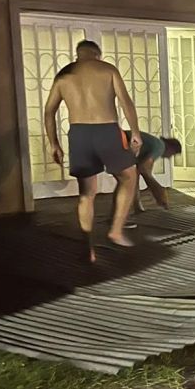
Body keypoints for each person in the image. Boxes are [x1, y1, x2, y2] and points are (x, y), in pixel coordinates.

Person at [44, 40, 142, 263]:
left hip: (79, 134)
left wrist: (54, 143)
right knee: (128, 176)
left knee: (86, 193)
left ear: (77, 55)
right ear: (97, 54)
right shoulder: (107, 69)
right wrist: (134, 132)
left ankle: (88, 249)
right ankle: (116, 230)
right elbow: (126, 102)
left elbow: (49, 111)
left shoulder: (64, 75)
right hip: (106, 130)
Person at [112, 131, 182, 223]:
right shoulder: (160, 147)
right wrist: (159, 193)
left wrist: (138, 206)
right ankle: (116, 218)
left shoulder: (154, 144)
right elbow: (145, 170)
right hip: (118, 143)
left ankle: (125, 213)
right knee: (126, 181)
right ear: (171, 149)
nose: (169, 158)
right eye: (173, 154)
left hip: (115, 141)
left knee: (128, 179)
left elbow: (138, 174)